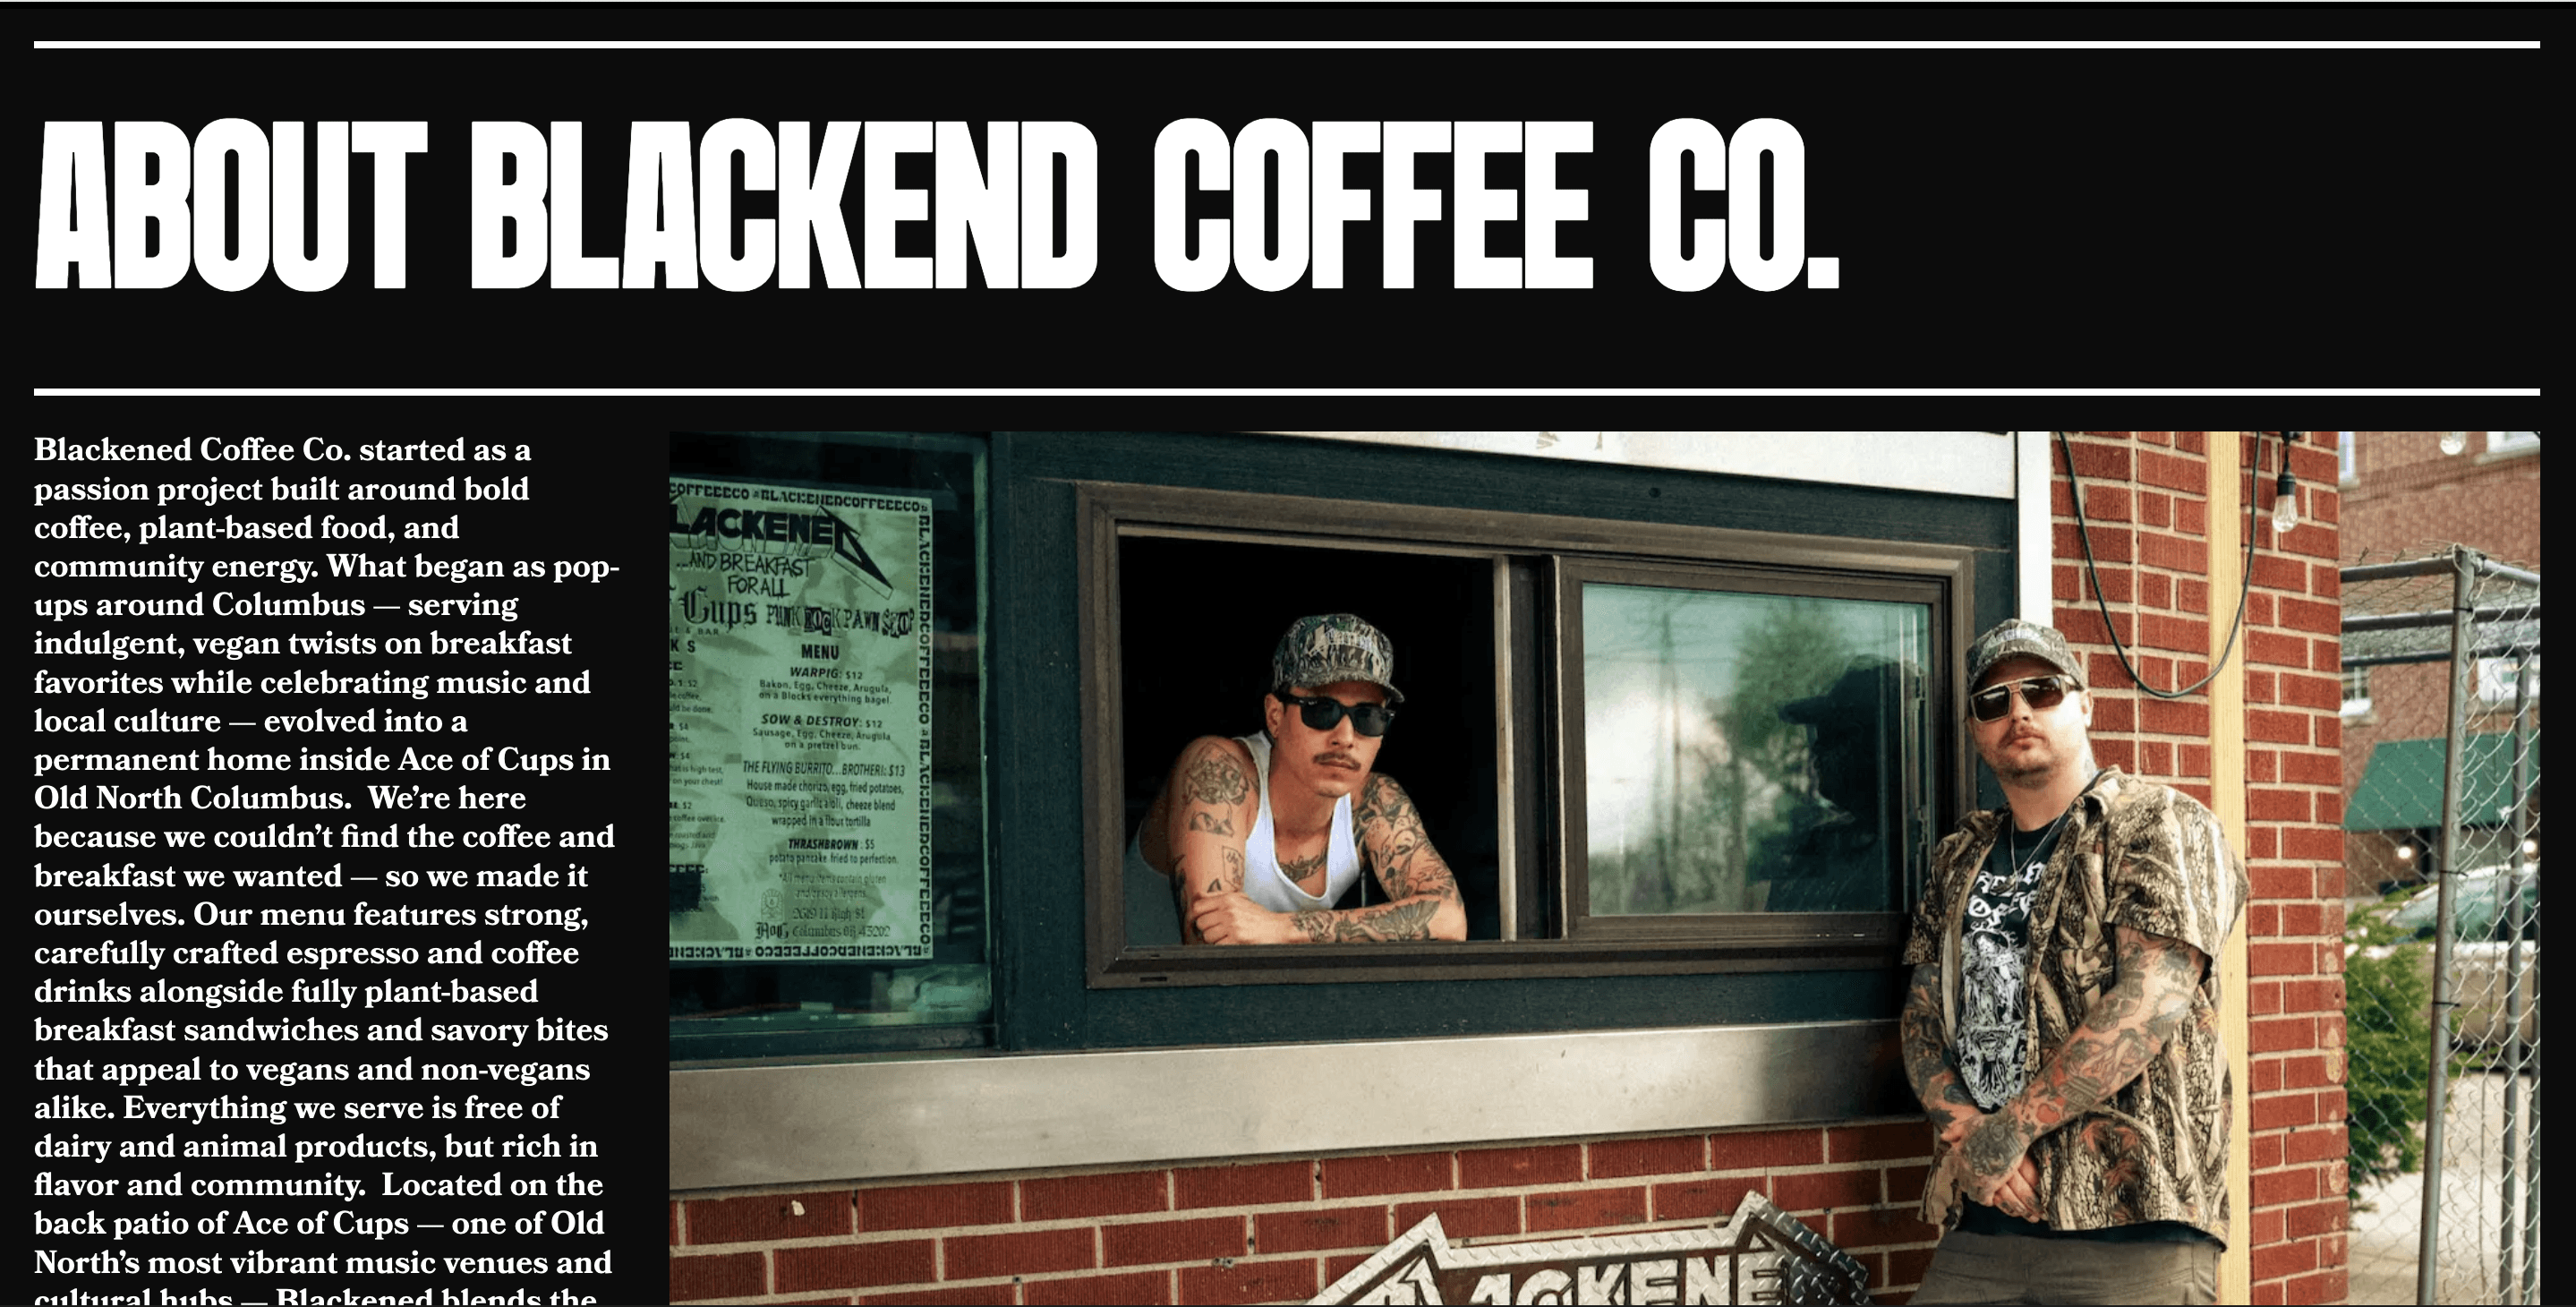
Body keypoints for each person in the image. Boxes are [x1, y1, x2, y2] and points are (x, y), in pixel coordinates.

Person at [1900, 619, 2247, 1304]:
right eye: (1992, 702)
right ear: (1974, 729)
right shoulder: (1958, 857)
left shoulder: (2158, 823)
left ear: (2084, 704)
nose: (2018, 712)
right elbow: (1920, 1018)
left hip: (2131, 1224)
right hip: (1989, 1219)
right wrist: (1972, 1137)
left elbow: (2149, 1003)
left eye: (2042, 690)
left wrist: (2008, 1133)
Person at [1130, 613, 1466, 944]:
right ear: (1275, 717)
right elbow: (1213, 945)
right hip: (1130, 994)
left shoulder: (1375, 801)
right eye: (1322, 709)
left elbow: (1449, 918)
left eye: (1369, 717)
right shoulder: (1219, 772)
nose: (1346, 737)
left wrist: (1282, 929)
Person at [1769, 654, 1915, 913]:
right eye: (1817, 733)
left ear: (1875, 744)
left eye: (1834, 733)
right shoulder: (1818, 846)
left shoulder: (1915, 857)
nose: (1815, 749)